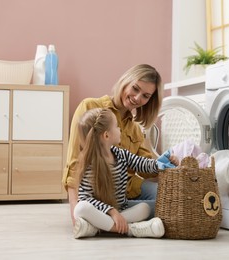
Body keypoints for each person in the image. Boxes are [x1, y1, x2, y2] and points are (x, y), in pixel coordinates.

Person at [62, 64, 168, 225]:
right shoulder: (90, 107)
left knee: (170, 199)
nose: (138, 98)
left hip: (127, 192)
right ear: (125, 81)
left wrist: (169, 163)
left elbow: (146, 168)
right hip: (97, 194)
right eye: (135, 88)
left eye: (146, 96)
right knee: (159, 208)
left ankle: (107, 223)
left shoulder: (135, 128)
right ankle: (116, 221)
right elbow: (75, 161)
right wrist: (75, 210)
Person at [73, 108, 168, 238]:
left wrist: (162, 163)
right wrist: (112, 212)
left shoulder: (120, 154)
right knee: (81, 208)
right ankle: (131, 230)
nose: (120, 130)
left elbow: (142, 164)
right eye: (117, 126)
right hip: (101, 211)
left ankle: (96, 228)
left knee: (144, 208)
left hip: (122, 209)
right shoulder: (91, 164)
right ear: (106, 135)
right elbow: (85, 199)